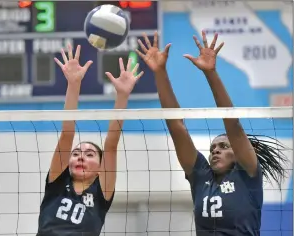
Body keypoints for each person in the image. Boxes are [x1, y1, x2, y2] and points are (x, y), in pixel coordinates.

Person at [136, 31, 286, 236]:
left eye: (224, 147)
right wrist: (159, 72)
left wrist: (210, 73)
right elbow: (176, 126)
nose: (215, 151)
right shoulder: (200, 177)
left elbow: (233, 125)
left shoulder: (247, 173)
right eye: (212, 148)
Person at [37, 44, 144, 236]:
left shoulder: (102, 191)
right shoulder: (56, 183)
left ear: (101, 167)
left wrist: (122, 96)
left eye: (89, 154)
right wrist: (73, 84)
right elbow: (67, 132)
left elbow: (110, 147)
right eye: (76, 154)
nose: (80, 157)